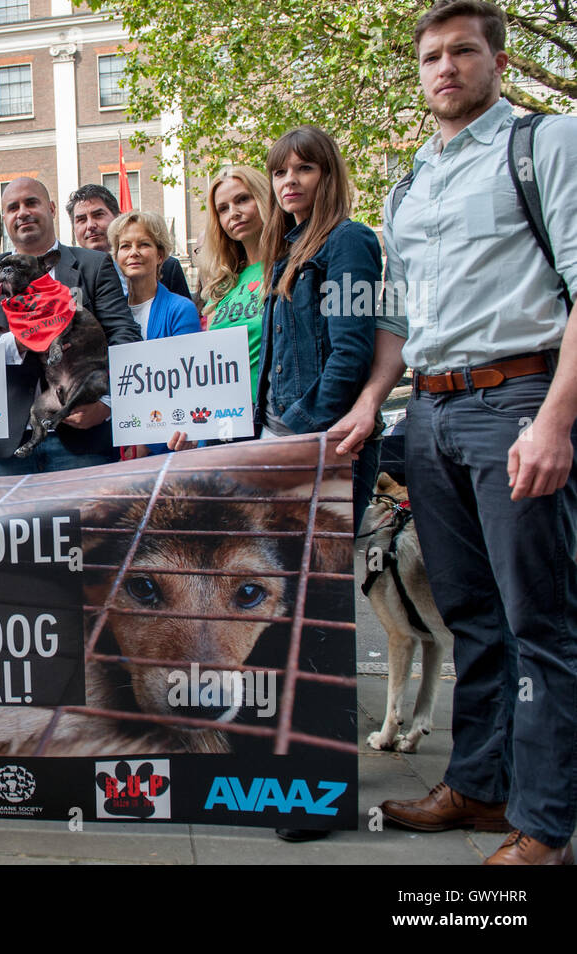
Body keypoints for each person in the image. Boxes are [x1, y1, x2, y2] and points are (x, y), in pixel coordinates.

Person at [333, 0, 577, 865]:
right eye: (432, 55)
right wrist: (373, 400)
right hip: (428, 414)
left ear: (497, 63)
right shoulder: (411, 180)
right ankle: (478, 787)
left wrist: (555, 418)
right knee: (471, 616)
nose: (445, 67)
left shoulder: (547, 143)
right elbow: (400, 313)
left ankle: (545, 826)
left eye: (463, 51)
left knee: (538, 620)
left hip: (517, 398)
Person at [0, 177, 140, 473]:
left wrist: (107, 403)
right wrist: (21, 339)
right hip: (11, 443)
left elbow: (124, 335)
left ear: (51, 208)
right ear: (3, 218)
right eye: (12, 207)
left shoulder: (93, 265)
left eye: (31, 203)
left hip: (85, 439)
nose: (22, 213)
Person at [257, 125, 383, 532]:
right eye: (279, 172)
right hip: (275, 435)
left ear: (327, 175)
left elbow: (352, 353)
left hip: (324, 437)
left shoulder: (350, 240)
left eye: (304, 168)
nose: (289, 180)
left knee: (319, 582)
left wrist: (299, 429)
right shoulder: (283, 252)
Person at [108, 210, 202, 458]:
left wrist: (148, 442)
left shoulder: (180, 309)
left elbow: (189, 383)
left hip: (168, 445)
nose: (134, 252)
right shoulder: (108, 313)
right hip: (114, 444)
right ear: (117, 256)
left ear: (160, 255)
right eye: (125, 246)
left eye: (144, 244)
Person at [198, 165, 272, 395]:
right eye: (223, 209)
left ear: (263, 198)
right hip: (229, 414)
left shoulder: (290, 268)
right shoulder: (222, 284)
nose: (234, 213)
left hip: (277, 413)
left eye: (242, 200)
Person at [66, 183, 192, 301]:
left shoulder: (167, 267)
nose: (90, 225)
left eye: (98, 215)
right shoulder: (68, 276)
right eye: (81, 220)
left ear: (118, 217)